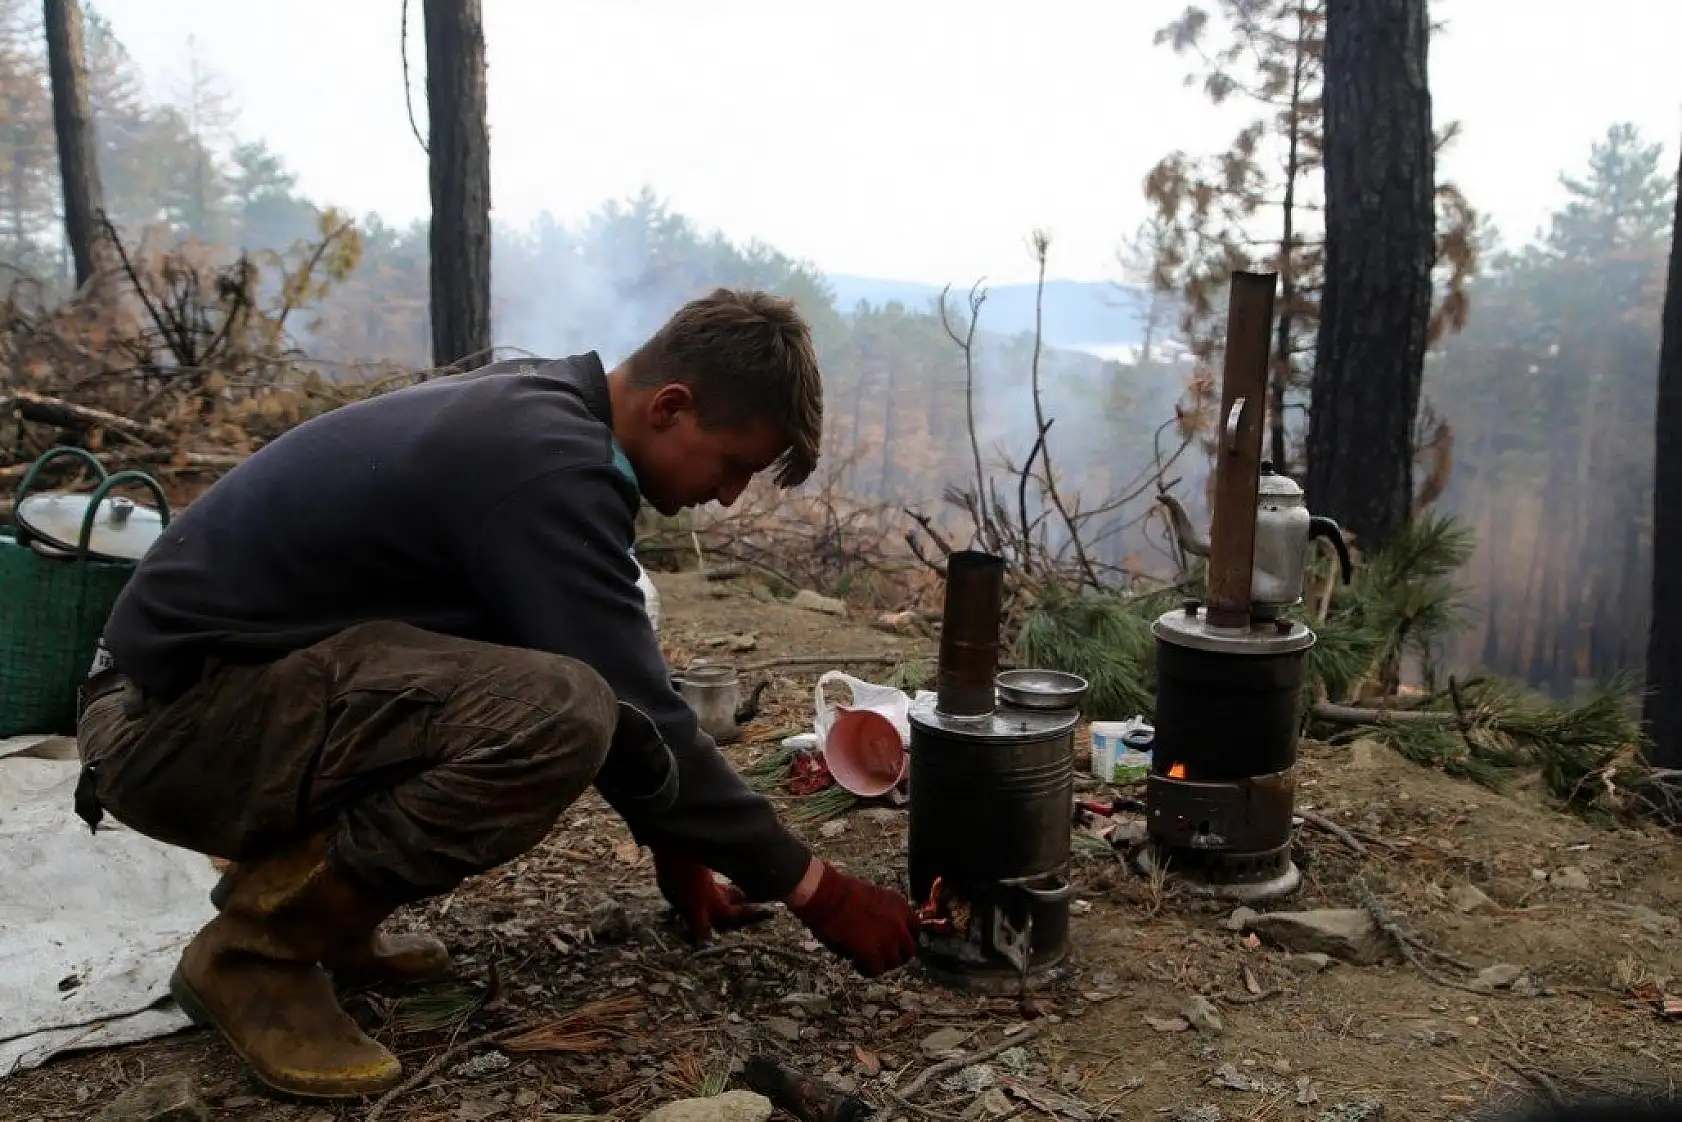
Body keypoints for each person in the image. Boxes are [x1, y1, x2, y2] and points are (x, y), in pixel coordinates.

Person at [74, 288, 919, 1101]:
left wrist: (680, 844)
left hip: (204, 700)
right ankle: (256, 956)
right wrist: (823, 892)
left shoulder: (546, 412)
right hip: (165, 731)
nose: (729, 495)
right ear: (671, 406)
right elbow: (629, 709)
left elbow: (587, 658)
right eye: (734, 465)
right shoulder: (549, 463)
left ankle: (326, 918)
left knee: (541, 688)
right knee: (559, 714)